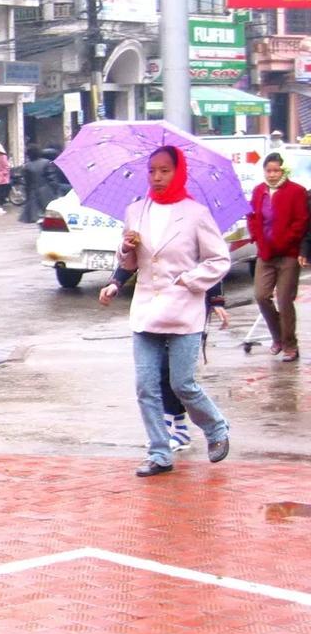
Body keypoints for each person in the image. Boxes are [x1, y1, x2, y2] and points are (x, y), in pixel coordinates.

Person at [99, 146, 230, 477]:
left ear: (178, 171)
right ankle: (159, 452)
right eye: (152, 170)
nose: (157, 177)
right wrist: (125, 251)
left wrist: (191, 280)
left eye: (165, 170)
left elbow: (219, 259)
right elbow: (131, 262)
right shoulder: (136, 211)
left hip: (184, 311)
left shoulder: (196, 214)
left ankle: (216, 427)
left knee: (182, 383)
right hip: (145, 310)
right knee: (146, 386)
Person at [247, 152, 309, 362]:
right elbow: (253, 217)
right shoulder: (258, 191)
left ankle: (290, 345)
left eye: (276, 170)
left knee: (284, 300)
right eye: (268, 170)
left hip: (288, 255)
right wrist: (257, 237)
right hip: (265, 254)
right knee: (261, 295)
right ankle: (278, 338)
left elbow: (301, 221)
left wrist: (286, 242)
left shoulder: (296, 191)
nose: (272, 175)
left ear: (283, 170)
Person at [18, 146, 57, 224]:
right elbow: (52, 179)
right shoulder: (46, 163)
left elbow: (26, 183)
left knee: (37, 216)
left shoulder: (27, 166)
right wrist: (55, 191)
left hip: (33, 194)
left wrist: (27, 195)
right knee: (49, 215)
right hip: (47, 192)